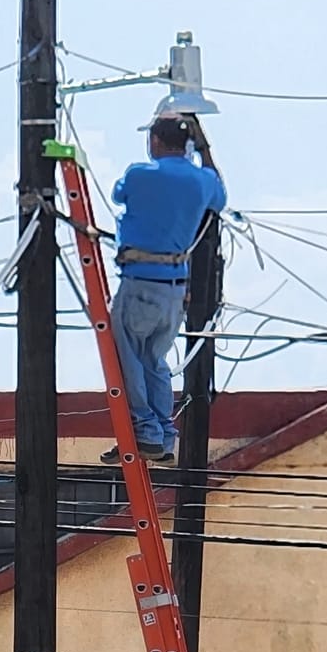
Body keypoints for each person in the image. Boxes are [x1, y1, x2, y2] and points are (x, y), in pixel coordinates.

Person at [104, 113, 227, 465]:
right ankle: (163, 435)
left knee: (127, 358)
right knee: (153, 361)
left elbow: (119, 193)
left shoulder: (140, 174)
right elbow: (220, 193)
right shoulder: (203, 181)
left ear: (155, 141)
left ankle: (145, 431)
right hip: (174, 290)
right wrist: (203, 148)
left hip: (140, 281)